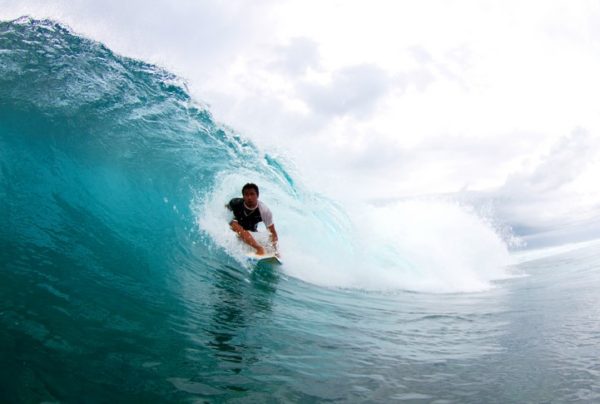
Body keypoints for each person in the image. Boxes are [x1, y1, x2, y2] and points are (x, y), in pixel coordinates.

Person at [227, 183, 278, 256]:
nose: (249, 197)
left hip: (251, 231)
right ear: (243, 196)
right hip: (235, 227)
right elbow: (225, 210)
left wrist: (275, 251)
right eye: (246, 195)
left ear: (257, 196)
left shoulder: (264, 211)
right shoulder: (235, 203)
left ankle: (264, 250)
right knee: (233, 224)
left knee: (267, 241)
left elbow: (272, 232)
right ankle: (259, 248)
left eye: (252, 194)